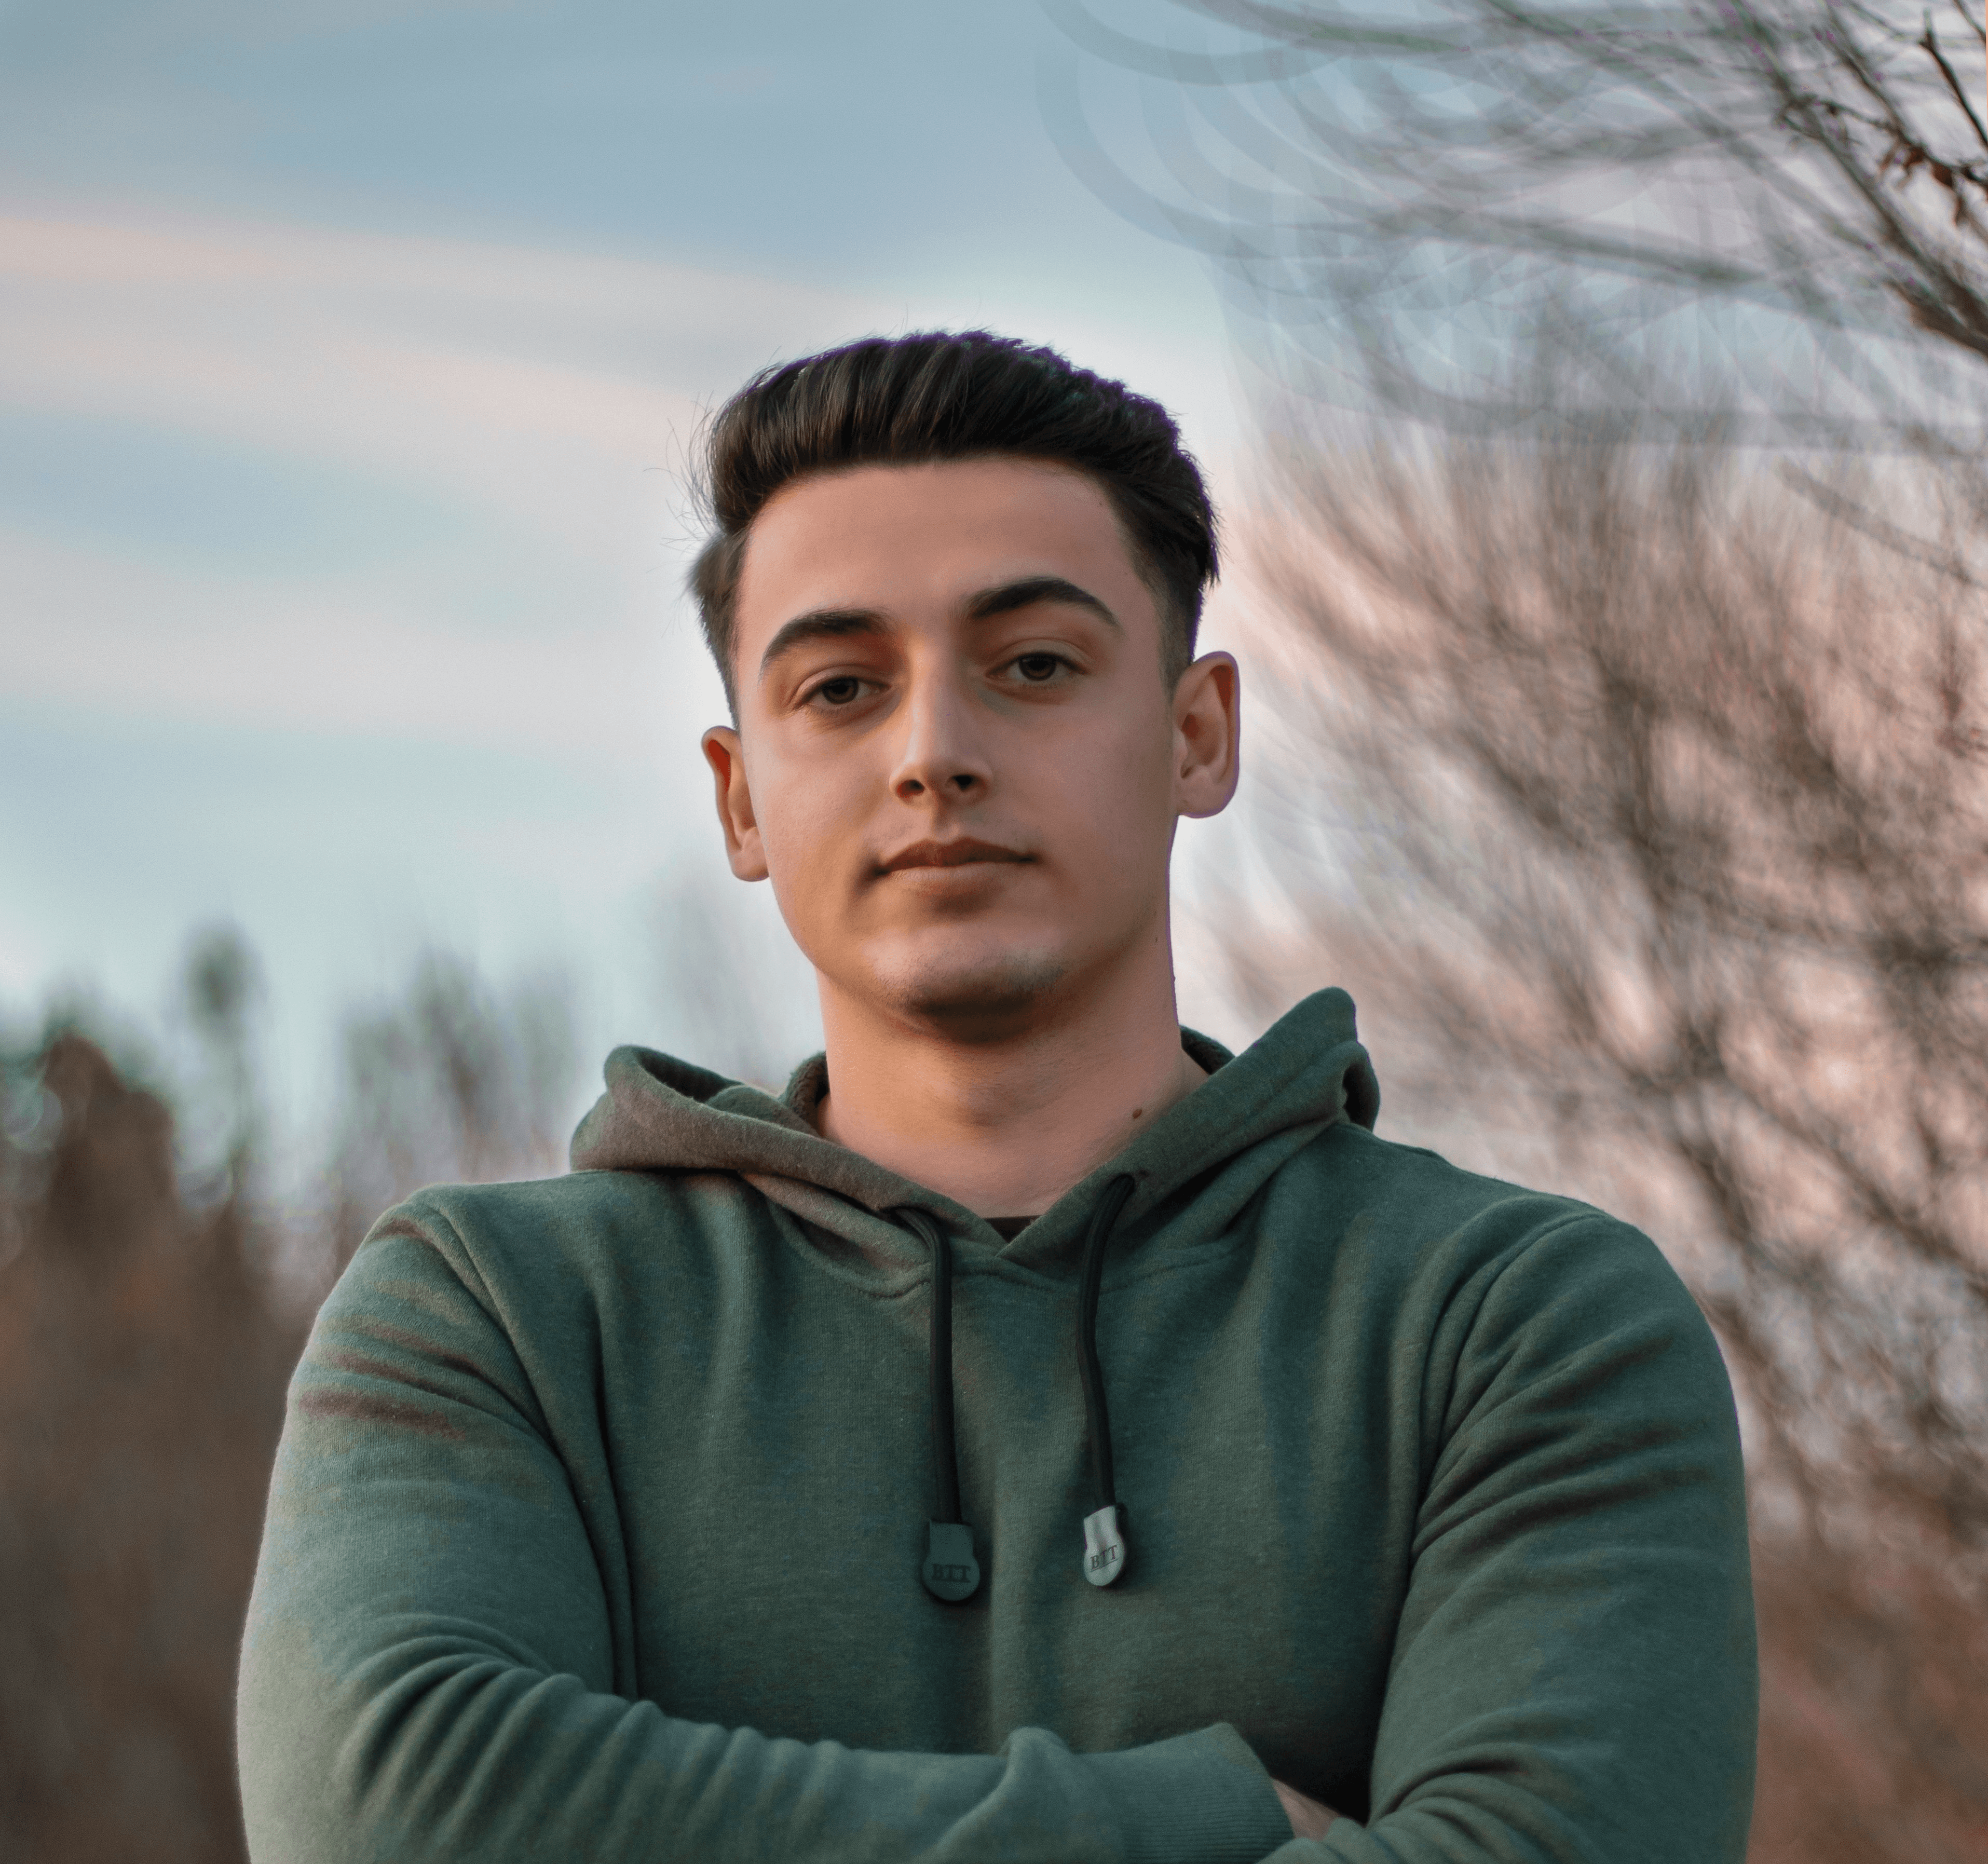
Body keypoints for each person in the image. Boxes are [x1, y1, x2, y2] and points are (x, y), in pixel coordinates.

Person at [237, 331, 1756, 1861]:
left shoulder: (1514, 1321)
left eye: (1031, 664)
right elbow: (385, 1810)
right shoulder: (497, 1316)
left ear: (1194, 731)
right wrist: (1201, 1814)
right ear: (740, 795)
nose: (933, 753)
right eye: (839, 686)